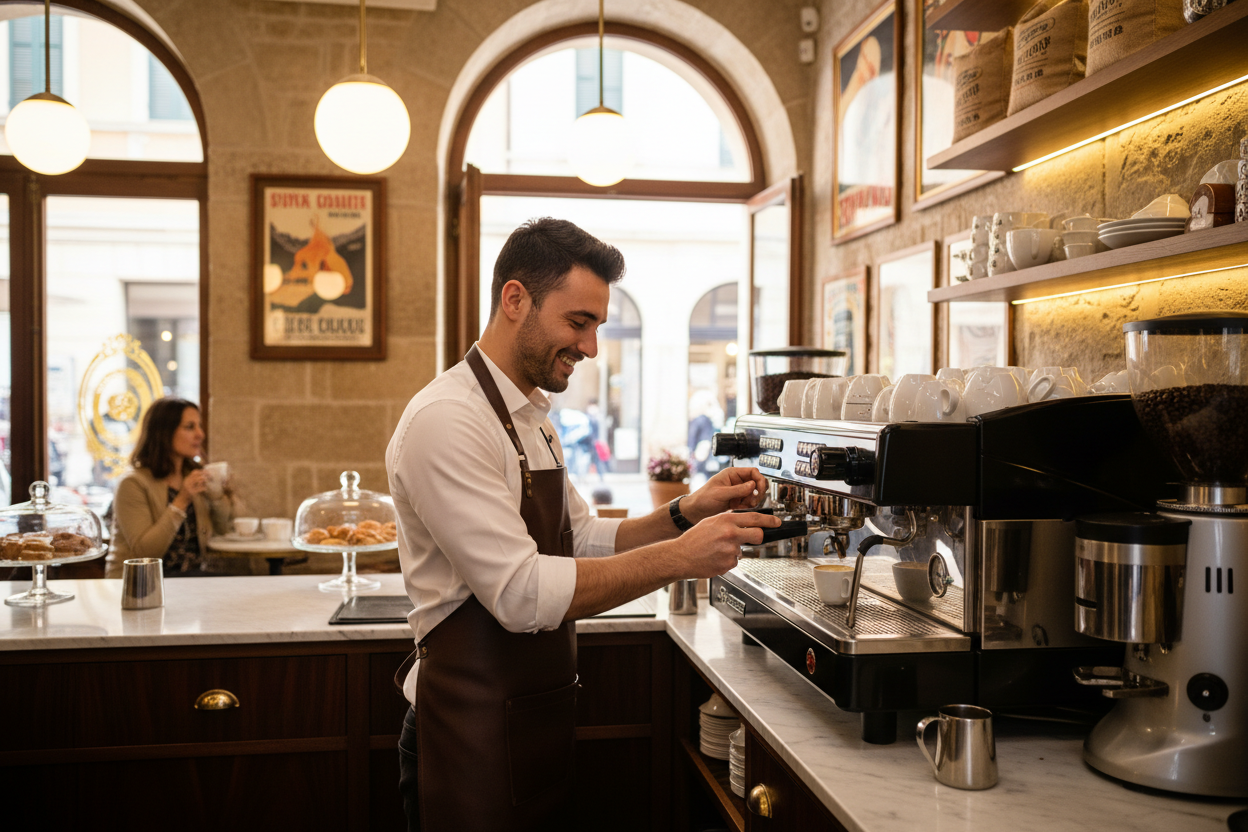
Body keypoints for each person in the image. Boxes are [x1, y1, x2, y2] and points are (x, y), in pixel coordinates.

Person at [386, 217, 779, 832]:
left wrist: (684, 513)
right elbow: (520, 595)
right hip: (466, 732)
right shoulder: (447, 420)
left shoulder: (531, 416)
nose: (591, 348)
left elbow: (583, 537)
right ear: (515, 299)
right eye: (578, 323)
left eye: (597, 326)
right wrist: (681, 558)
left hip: (531, 718)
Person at [108, 398, 234, 577]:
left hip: (189, 580)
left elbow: (224, 530)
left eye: (199, 426)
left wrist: (217, 494)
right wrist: (182, 500)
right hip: (141, 584)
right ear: (164, 433)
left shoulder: (191, 474)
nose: (200, 434)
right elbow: (145, 552)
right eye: (190, 427)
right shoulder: (132, 483)